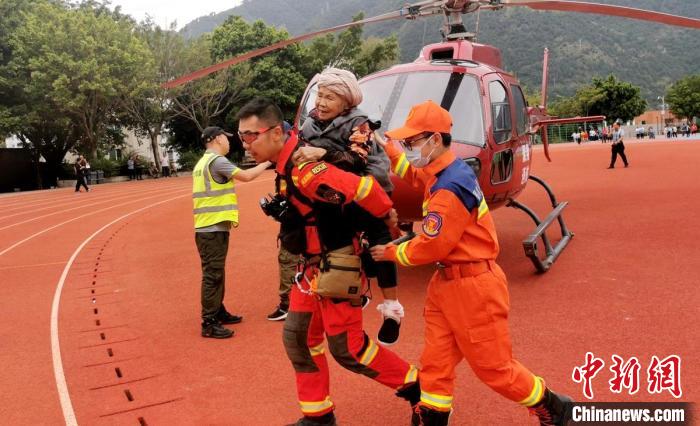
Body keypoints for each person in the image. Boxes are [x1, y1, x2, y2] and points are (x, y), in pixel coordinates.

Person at [370, 100, 573, 426]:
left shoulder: (449, 186)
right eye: (406, 143)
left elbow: (432, 246)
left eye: (411, 142)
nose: (408, 148)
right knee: (435, 361)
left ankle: (552, 406)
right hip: (448, 285)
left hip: (474, 289)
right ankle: (433, 416)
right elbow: (413, 172)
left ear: (434, 140)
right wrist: (388, 148)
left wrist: (391, 253)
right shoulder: (445, 170)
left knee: (494, 369)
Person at [238, 98, 420, 426]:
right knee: (299, 339)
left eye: (252, 135)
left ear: (277, 133)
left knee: (348, 350)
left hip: (337, 263)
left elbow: (362, 188)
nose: (246, 144)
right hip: (309, 268)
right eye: (242, 137)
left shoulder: (306, 169)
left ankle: (418, 388)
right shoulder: (285, 167)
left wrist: (388, 217)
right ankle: (318, 415)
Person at [289, 67, 404, 346]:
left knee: (380, 245)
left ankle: (392, 311)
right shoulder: (309, 124)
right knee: (336, 245)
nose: (321, 102)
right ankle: (356, 288)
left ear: (346, 101)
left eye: (330, 97)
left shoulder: (360, 123)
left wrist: (322, 153)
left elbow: (358, 160)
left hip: (366, 188)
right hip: (332, 192)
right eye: (320, 95)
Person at [193, 126, 272, 339]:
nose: (229, 142)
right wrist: (267, 162)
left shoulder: (202, 162)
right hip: (212, 228)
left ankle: (218, 311)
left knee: (216, 273)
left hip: (210, 227)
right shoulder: (216, 161)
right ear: (217, 139)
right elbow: (245, 176)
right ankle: (209, 322)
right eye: (226, 138)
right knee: (212, 275)